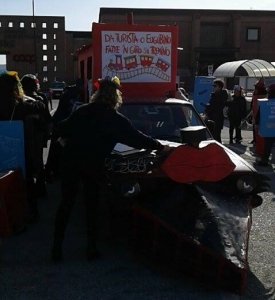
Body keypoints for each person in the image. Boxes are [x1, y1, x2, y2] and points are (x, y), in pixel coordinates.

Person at [51, 76, 171, 262]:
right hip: (93, 165)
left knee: (66, 204)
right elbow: (137, 138)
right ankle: (91, 249)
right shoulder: (115, 119)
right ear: (116, 97)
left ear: (97, 94)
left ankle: (56, 249)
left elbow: (60, 128)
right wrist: (161, 147)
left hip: (70, 162)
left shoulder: (82, 111)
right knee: (92, 205)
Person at [0, 71, 46, 223]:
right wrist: (25, 97)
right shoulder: (19, 105)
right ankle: (31, 212)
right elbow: (40, 106)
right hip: (19, 148)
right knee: (25, 180)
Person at [21, 74, 52, 198]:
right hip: (38, 134)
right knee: (38, 160)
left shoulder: (20, 100)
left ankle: (31, 188)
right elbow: (48, 118)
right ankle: (40, 189)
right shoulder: (39, 99)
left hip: (26, 135)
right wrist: (47, 134)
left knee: (28, 161)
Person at [256, 83, 275, 166]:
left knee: (268, 145)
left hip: (269, 127)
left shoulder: (265, 103)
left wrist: (257, 124)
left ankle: (264, 161)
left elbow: (259, 114)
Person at [205, 78, 228, 143]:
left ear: (220, 87)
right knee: (213, 134)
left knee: (216, 135)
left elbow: (216, 106)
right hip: (213, 117)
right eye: (213, 86)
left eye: (215, 86)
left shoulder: (221, 95)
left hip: (217, 118)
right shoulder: (215, 95)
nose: (214, 87)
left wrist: (209, 109)